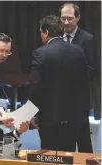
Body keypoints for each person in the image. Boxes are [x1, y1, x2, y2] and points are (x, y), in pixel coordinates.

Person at [29, 15, 90, 152]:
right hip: (74, 117)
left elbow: (35, 88)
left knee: (49, 155)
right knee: (68, 154)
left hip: (49, 118)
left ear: (45, 32)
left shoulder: (40, 53)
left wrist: (33, 114)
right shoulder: (78, 51)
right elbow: (84, 84)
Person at [60, 3, 96, 153]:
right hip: (60, 98)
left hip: (79, 98)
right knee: (63, 140)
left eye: (70, 19)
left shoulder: (87, 39)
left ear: (78, 18)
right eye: (63, 19)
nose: (66, 22)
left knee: (83, 141)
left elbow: (93, 68)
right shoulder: (57, 38)